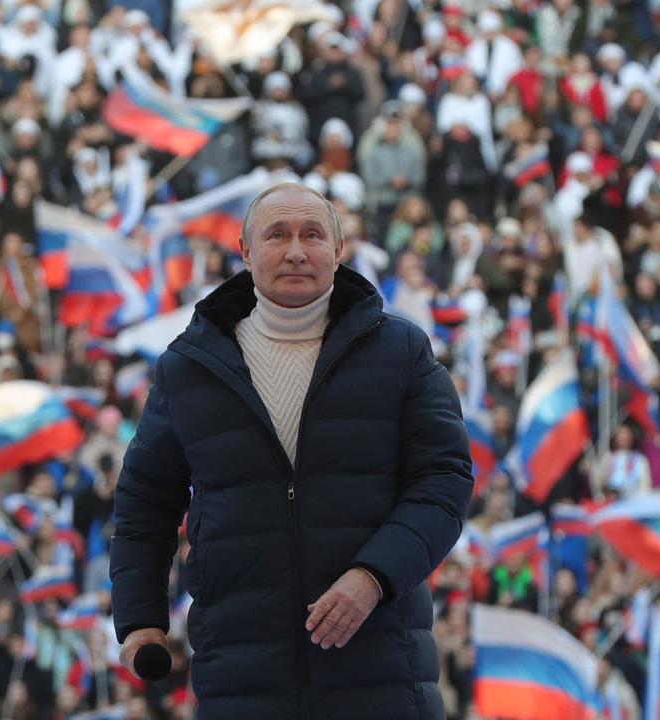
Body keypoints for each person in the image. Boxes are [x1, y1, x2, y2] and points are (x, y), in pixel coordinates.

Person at [110, 183, 473, 719]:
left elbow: (444, 481)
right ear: (246, 251)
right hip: (241, 679)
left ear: (339, 249)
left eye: (312, 234)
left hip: (381, 672)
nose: (296, 250)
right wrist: (142, 619)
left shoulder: (403, 350)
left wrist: (372, 576)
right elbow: (145, 503)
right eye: (277, 235)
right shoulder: (188, 366)